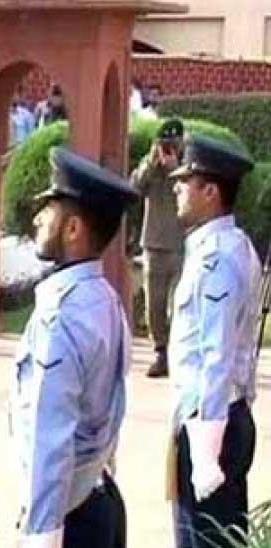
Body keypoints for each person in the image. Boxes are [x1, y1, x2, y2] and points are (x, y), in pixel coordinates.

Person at [12, 147, 138, 548]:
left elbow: (50, 443)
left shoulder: (62, 318)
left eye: (48, 211)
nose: (37, 221)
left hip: (67, 524)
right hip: (99, 502)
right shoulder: (105, 299)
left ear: (73, 228)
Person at [168, 135, 261, 548]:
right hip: (221, 419)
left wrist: (205, 452)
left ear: (211, 192)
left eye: (187, 182)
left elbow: (216, 356)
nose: (177, 189)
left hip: (212, 425)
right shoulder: (229, 246)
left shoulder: (217, 258)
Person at [131, 118, 186, 377]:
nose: (169, 148)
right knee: (154, 304)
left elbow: (189, 193)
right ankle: (160, 351)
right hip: (153, 242)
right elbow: (134, 188)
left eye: (174, 143)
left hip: (180, 244)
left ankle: (178, 351)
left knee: (177, 303)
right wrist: (152, 164)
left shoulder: (189, 166)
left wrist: (176, 169)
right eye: (165, 144)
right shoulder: (149, 165)